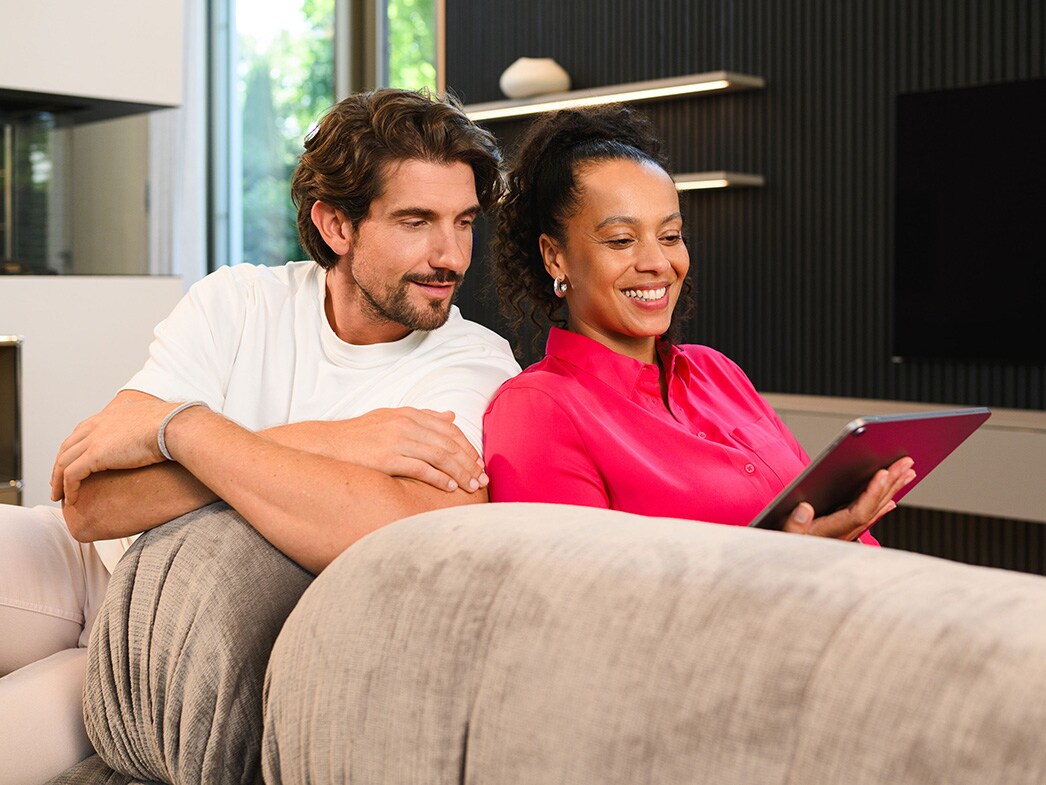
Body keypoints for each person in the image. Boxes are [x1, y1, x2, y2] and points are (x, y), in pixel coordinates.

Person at [0, 88, 521, 784]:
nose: (451, 255)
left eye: (463, 222)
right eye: (416, 221)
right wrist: (332, 443)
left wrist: (178, 430)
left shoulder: (473, 364)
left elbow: (400, 531)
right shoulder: (238, 301)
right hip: (79, 566)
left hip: (172, 645)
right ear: (336, 224)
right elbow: (90, 507)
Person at [482, 105, 913, 541]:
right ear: (555, 256)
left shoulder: (717, 372)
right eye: (621, 240)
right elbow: (582, 596)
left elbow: (824, 521)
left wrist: (848, 532)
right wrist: (789, 561)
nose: (657, 263)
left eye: (670, 236)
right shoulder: (539, 408)